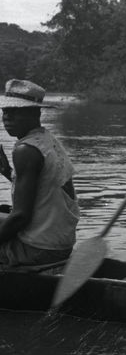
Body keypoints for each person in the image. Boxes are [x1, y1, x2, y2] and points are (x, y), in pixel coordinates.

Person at [0, 79, 80, 266]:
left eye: (16, 112)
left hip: (39, 249)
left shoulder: (25, 150)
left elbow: (20, 217)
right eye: (5, 112)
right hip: (59, 243)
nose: (7, 119)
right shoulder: (46, 140)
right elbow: (43, 190)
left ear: (35, 113)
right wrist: (7, 172)